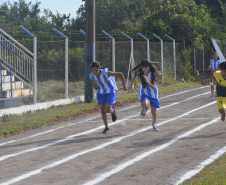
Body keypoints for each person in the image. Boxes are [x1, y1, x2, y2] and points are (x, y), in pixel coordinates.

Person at [89, 61, 127, 134]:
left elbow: (120, 74)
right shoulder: (91, 76)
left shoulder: (105, 72)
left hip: (110, 91)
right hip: (101, 92)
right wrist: (94, 84)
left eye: (96, 70)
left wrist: (124, 86)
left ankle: (113, 111)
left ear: (99, 69)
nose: (95, 72)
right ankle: (106, 127)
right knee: (102, 109)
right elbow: (96, 88)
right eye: (93, 70)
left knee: (108, 110)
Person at [128, 59, 161, 131]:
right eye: (143, 67)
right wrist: (131, 86)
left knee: (153, 110)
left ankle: (154, 124)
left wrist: (147, 81)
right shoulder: (140, 72)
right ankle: (145, 108)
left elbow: (153, 87)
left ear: (149, 67)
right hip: (145, 91)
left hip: (153, 92)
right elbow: (134, 76)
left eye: (145, 67)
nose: (144, 69)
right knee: (144, 104)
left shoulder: (152, 74)